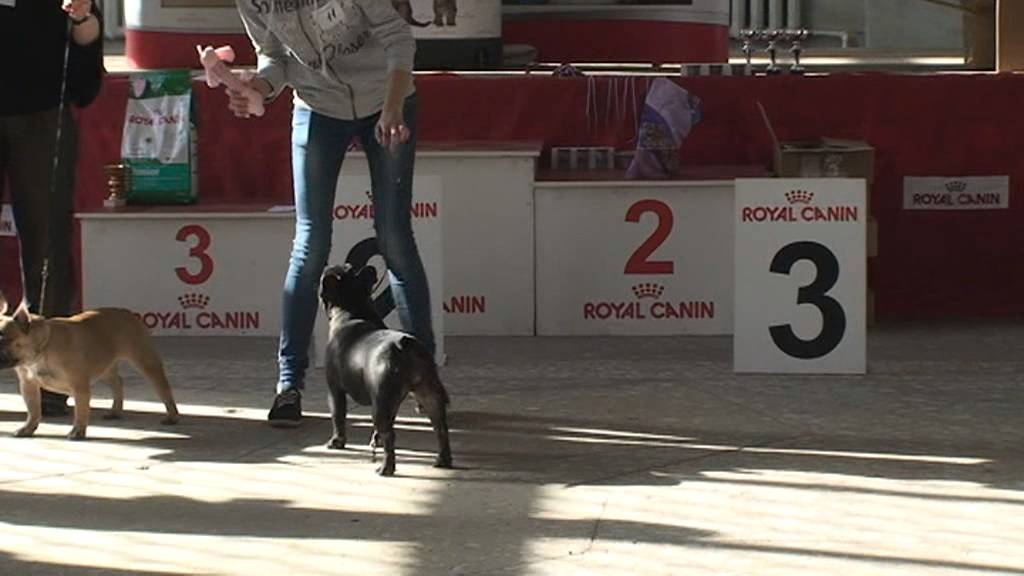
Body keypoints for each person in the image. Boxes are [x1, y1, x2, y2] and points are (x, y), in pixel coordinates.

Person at [229, 0, 436, 427]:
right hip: (317, 108)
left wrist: (394, 105)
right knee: (310, 244)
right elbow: (275, 57)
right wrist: (259, 88)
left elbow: (398, 39)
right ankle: (289, 384)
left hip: (387, 98)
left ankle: (423, 376)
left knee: (395, 238)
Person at [0, 0, 104, 416]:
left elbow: (87, 32)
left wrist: (81, 16)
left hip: (42, 110)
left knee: (46, 243)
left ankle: (52, 377)